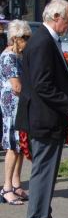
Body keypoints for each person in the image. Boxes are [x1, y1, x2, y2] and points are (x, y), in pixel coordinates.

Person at [15, 0, 68, 218]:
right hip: (43, 118)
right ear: (56, 16)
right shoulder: (41, 43)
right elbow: (43, 86)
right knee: (42, 173)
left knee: (48, 173)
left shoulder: (47, 39)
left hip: (49, 117)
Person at [0, 20, 31, 206]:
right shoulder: (9, 57)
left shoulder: (18, 56)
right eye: (25, 38)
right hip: (12, 108)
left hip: (20, 106)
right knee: (13, 147)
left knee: (20, 146)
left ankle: (16, 183)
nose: (28, 41)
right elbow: (17, 87)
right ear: (15, 38)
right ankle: (6, 188)